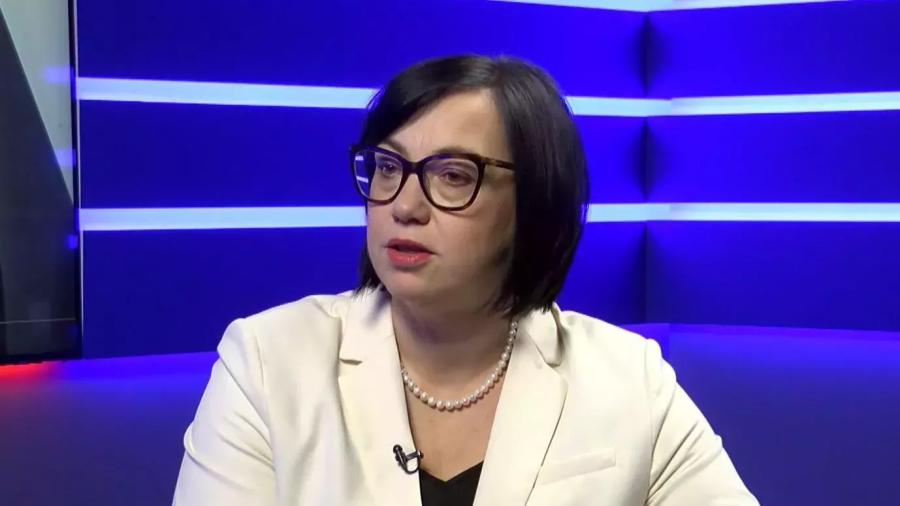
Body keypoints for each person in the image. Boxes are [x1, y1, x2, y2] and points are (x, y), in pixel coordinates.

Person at [173, 54, 759, 505]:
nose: (404, 205)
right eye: (387, 167)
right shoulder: (267, 362)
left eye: (452, 175)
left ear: (533, 203)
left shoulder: (629, 380)